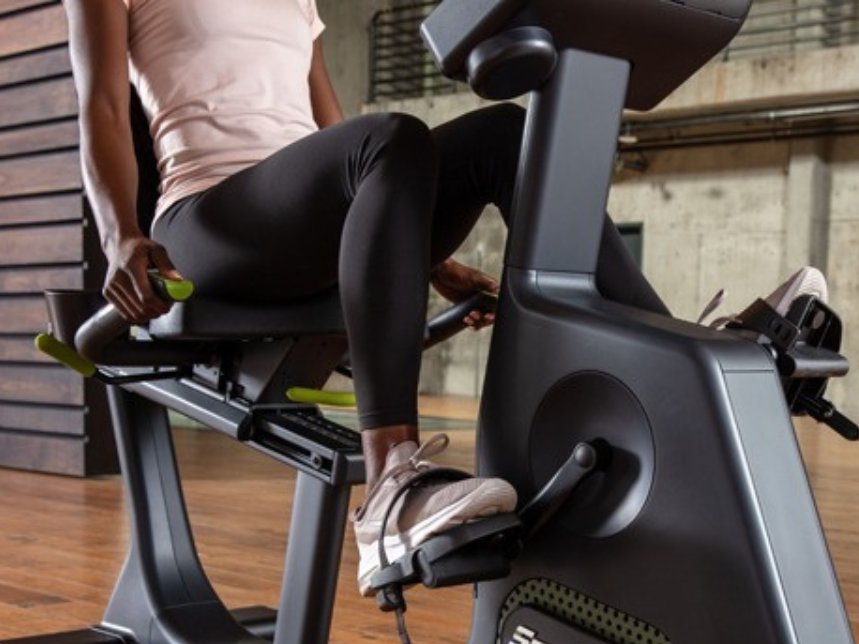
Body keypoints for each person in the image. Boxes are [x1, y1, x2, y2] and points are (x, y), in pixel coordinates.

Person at [65, 0, 800, 595]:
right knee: (391, 137)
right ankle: (390, 491)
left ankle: (683, 367)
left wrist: (429, 259)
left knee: (505, 135)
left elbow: (331, 133)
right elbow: (100, 106)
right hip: (207, 219)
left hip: (311, 213)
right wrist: (120, 236)